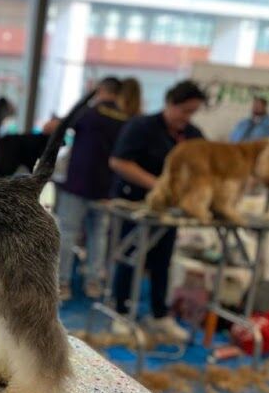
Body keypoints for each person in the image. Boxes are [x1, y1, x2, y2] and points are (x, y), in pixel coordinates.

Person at [109, 80, 206, 342]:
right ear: (170, 103)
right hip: (136, 203)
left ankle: (159, 314)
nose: (187, 118)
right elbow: (119, 161)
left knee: (163, 261)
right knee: (131, 257)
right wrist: (159, 187)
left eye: (193, 113)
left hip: (170, 211)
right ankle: (121, 311)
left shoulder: (193, 135)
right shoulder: (141, 127)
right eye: (184, 111)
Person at [56, 76, 128, 301]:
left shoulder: (88, 112)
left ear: (100, 90)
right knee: (98, 236)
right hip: (106, 188)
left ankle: (62, 283)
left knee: (67, 233)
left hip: (77, 183)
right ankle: (93, 282)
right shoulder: (126, 119)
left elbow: (62, 126)